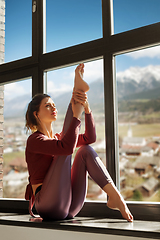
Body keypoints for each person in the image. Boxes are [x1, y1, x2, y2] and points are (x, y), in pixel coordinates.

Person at [25, 63, 133, 222]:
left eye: (54, 105)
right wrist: (76, 116)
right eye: (48, 106)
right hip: (48, 205)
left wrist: (87, 109)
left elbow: (90, 138)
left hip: (69, 206)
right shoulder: (35, 140)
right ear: (37, 114)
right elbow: (66, 147)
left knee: (85, 150)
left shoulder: (57, 138)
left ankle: (115, 197)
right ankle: (77, 91)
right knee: (65, 148)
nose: (53, 108)